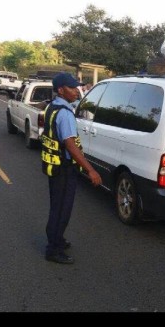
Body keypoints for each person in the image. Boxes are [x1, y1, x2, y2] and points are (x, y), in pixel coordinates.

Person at [40, 72, 102, 264]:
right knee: (62, 210)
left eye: (78, 87)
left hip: (54, 165)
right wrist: (90, 170)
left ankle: (57, 239)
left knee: (57, 206)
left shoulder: (53, 107)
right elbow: (70, 145)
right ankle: (53, 249)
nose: (77, 91)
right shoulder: (65, 114)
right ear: (61, 90)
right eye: (72, 88)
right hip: (64, 169)